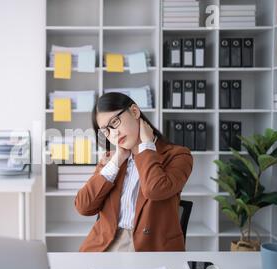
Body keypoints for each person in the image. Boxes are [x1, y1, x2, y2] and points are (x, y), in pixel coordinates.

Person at [75, 92, 193, 252]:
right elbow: (83, 207)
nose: (114, 133)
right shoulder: (111, 160)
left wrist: (146, 147)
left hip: (151, 248)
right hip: (105, 246)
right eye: (106, 131)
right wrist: (117, 160)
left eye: (115, 122)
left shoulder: (178, 155)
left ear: (135, 112)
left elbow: (155, 189)